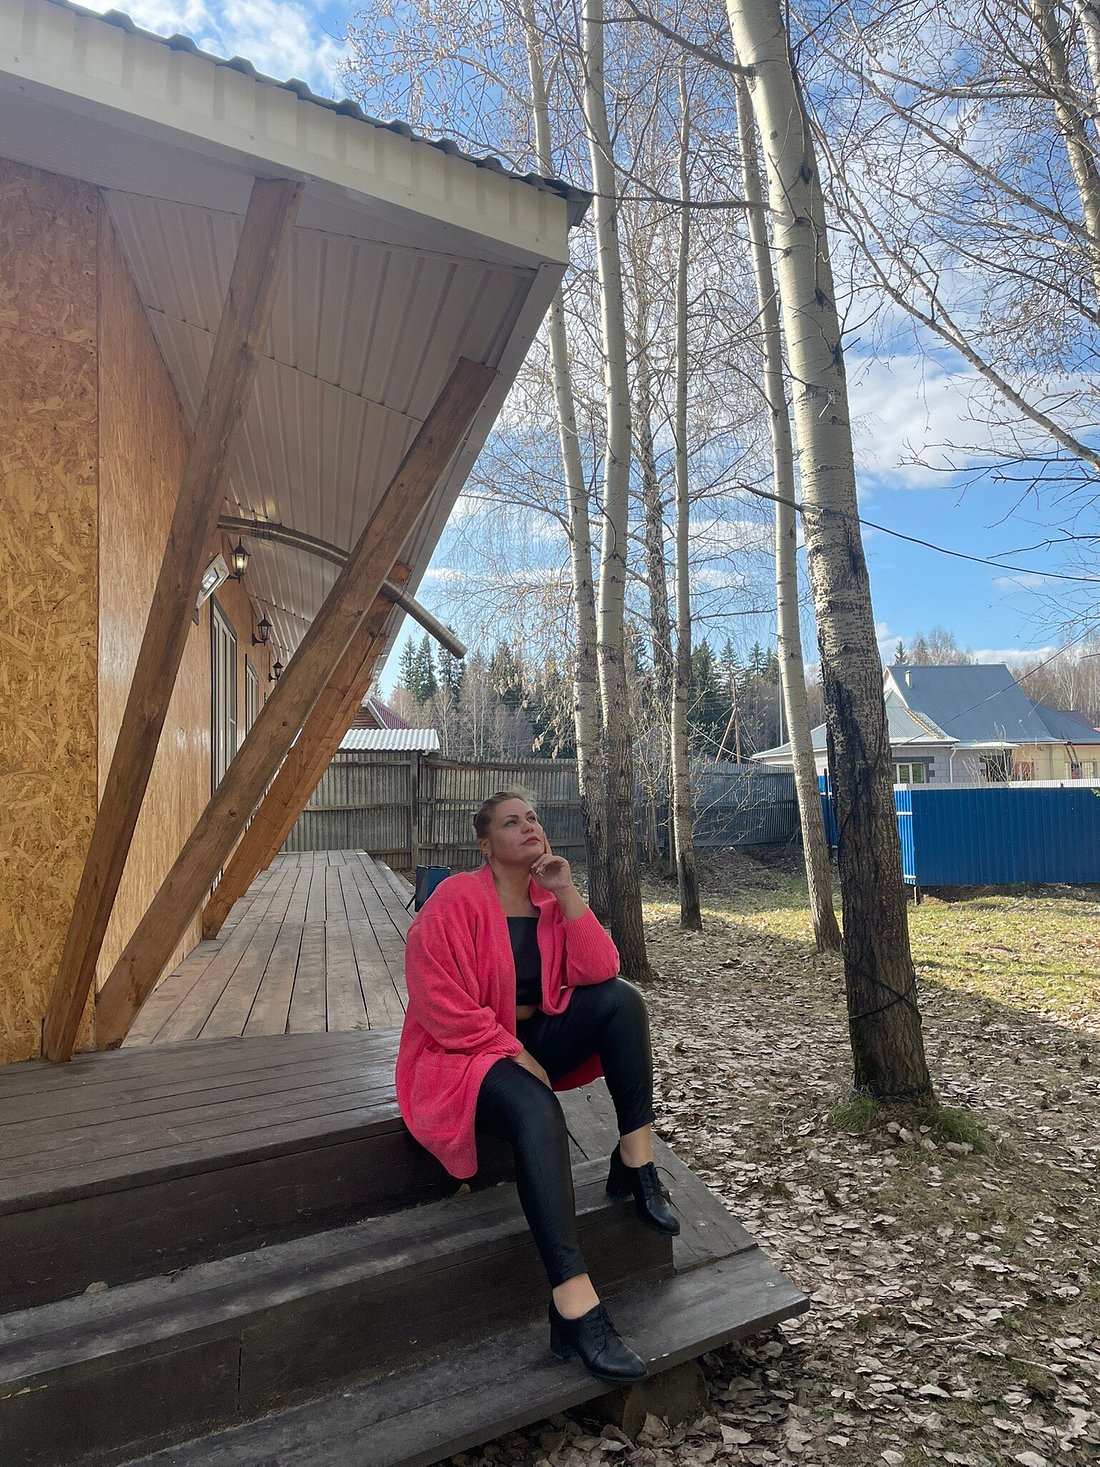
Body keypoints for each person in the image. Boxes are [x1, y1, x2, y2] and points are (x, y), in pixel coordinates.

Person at [395, 789, 678, 1385]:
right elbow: (433, 999)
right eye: (511, 822)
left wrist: (568, 892)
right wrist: (513, 1051)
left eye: (533, 817)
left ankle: (636, 1158)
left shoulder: (550, 899)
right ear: (485, 843)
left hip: (529, 1038)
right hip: (461, 1053)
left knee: (624, 1000)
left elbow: (601, 969)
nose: (529, 827)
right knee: (537, 1107)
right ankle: (575, 1303)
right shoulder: (456, 899)